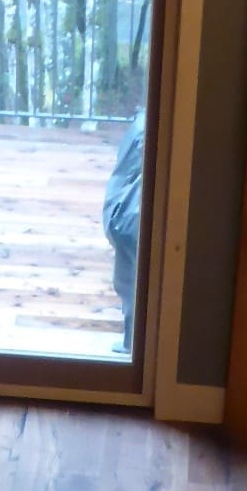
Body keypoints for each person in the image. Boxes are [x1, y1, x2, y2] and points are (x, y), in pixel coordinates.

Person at [102, 114, 144, 352]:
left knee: (129, 281)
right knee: (128, 281)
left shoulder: (142, 125)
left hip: (126, 217)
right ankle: (133, 342)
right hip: (127, 218)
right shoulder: (146, 124)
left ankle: (133, 343)